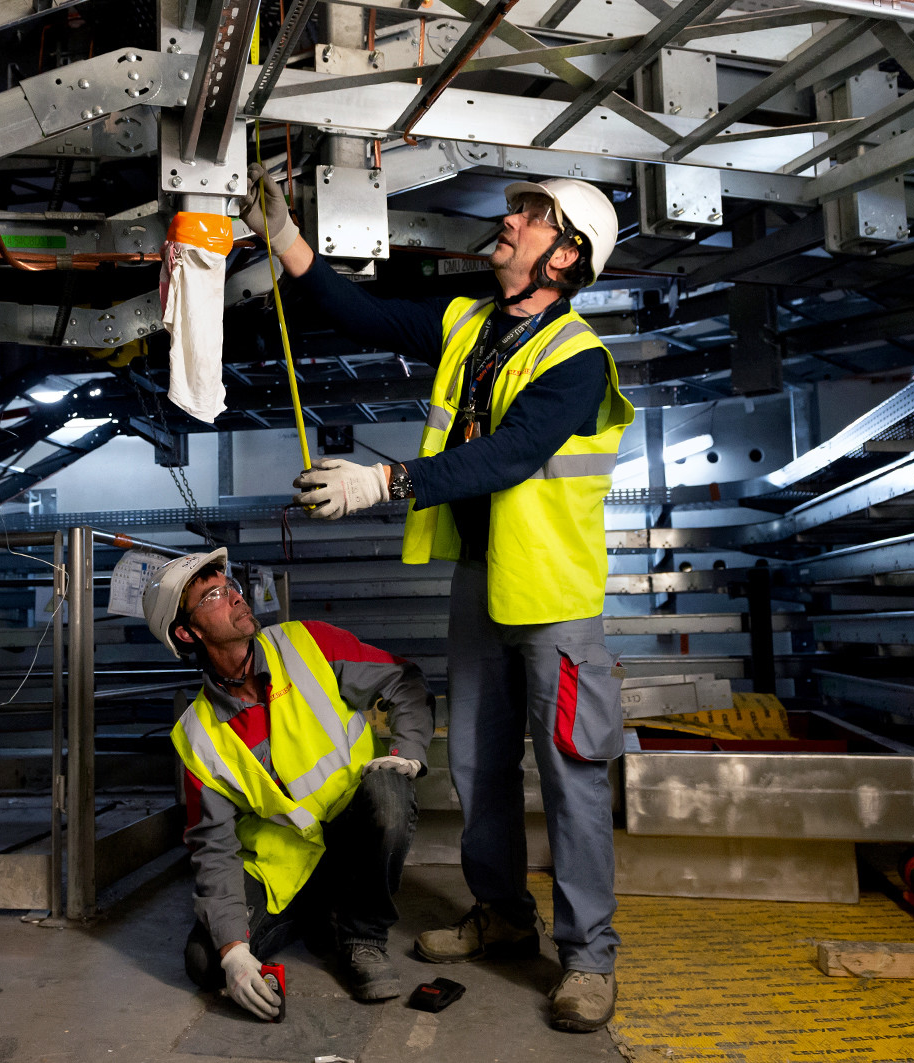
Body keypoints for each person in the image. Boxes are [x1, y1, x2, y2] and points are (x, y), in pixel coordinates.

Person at [237, 168, 635, 1032]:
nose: (511, 221)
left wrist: (386, 479)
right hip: (484, 580)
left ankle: (588, 957)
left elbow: (513, 453)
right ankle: (499, 914)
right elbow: (364, 314)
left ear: (565, 257)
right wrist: (287, 241)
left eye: (531, 218)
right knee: (478, 767)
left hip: (555, 594)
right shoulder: (469, 324)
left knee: (569, 773)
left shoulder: (576, 360)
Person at [143, 548, 434, 1019]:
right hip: (285, 867)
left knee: (389, 794)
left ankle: (363, 936)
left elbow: (404, 680)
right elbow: (213, 848)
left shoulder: (306, 644)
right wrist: (234, 951)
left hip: (352, 828)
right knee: (205, 961)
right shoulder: (196, 735)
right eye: (213, 594)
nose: (235, 596)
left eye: (230, 585)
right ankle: (318, 911)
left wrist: (409, 754)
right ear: (187, 632)